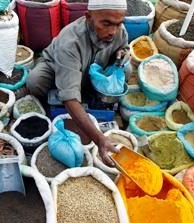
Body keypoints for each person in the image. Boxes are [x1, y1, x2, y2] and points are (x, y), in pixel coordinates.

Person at [27, 0, 130, 166]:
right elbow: (70, 100)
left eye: (118, 24)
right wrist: (100, 139)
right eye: (106, 24)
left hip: (93, 69)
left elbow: (124, 47)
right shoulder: (70, 41)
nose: (113, 31)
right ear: (88, 17)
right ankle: (68, 85)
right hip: (58, 66)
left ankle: (82, 86)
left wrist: (122, 53)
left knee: (127, 70)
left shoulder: (119, 31)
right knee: (35, 81)